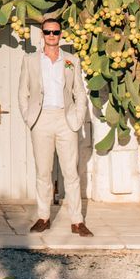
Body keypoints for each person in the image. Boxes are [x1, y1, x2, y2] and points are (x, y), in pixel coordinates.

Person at [18, 17, 93, 237]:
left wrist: (78, 118)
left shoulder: (72, 60)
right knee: (43, 172)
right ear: (42, 34)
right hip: (41, 119)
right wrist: (29, 118)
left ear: (61, 35)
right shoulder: (30, 60)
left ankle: (77, 221)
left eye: (56, 32)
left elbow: (79, 92)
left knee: (71, 172)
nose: (52, 36)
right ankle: (43, 217)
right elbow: (23, 92)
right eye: (48, 32)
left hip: (65, 119)